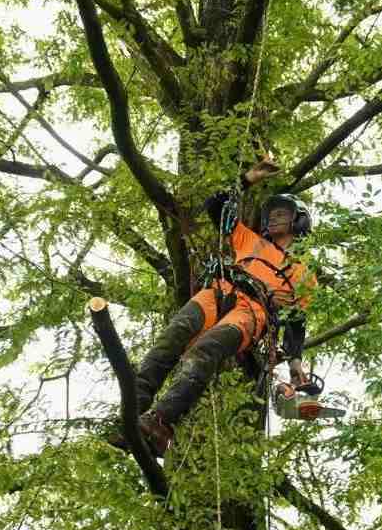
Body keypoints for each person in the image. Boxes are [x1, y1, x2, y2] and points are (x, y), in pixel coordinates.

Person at [110, 159, 316, 457]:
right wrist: (247, 179)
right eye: (271, 214)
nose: (273, 218)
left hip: (253, 311)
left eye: (281, 214)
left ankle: (160, 422)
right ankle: (130, 416)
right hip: (218, 292)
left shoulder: (303, 274)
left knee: (205, 351)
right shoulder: (250, 239)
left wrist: (295, 362)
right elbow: (216, 206)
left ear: (298, 221)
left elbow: (296, 320)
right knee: (170, 339)